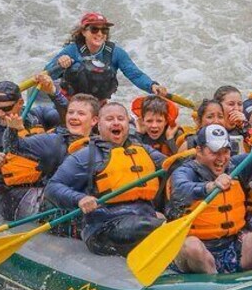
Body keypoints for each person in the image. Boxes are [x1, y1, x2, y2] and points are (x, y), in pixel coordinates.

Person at [166, 100, 252, 275]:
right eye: (214, 152)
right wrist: (210, 186)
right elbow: (182, 188)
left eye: (225, 151)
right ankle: (216, 287)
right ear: (199, 151)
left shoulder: (235, 166)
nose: (221, 158)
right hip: (196, 252)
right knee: (192, 246)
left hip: (232, 248)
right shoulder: (184, 171)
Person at [45, 102, 167, 256]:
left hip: (143, 220)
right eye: (109, 119)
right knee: (155, 226)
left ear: (127, 123)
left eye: (120, 118)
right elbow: (52, 187)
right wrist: (79, 199)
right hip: (103, 228)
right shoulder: (85, 156)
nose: (116, 122)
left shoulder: (144, 151)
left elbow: (174, 165)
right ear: (98, 123)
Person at [0, 94, 101, 221]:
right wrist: (12, 129)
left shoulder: (100, 143)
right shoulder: (51, 141)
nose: (74, 117)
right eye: (71, 113)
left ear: (94, 120)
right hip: (32, 201)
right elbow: (12, 146)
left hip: (73, 196)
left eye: (81, 114)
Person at [0, 78, 61, 219]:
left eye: (6, 109)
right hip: (14, 196)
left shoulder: (38, 116)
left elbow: (70, 118)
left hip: (48, 182)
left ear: (20, 103)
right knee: (59, 207)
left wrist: (54, 93)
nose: (0, 114)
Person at [47, 12, 168, 104]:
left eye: (104, 29)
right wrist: (59, 65)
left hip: (99, 105)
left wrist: (152, 86)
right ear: (84, 32)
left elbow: (135, 75)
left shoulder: (116, 53)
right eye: (94, 29)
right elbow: (46, 75)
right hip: (70, 103)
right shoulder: (71, 50)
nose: (100, 34)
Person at [215, 85, 252, 154]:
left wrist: (245, 124)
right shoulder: (211, 129)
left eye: (239, 104)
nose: (236, 109)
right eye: (231, 104)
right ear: (218, 106)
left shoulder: (244, 127)